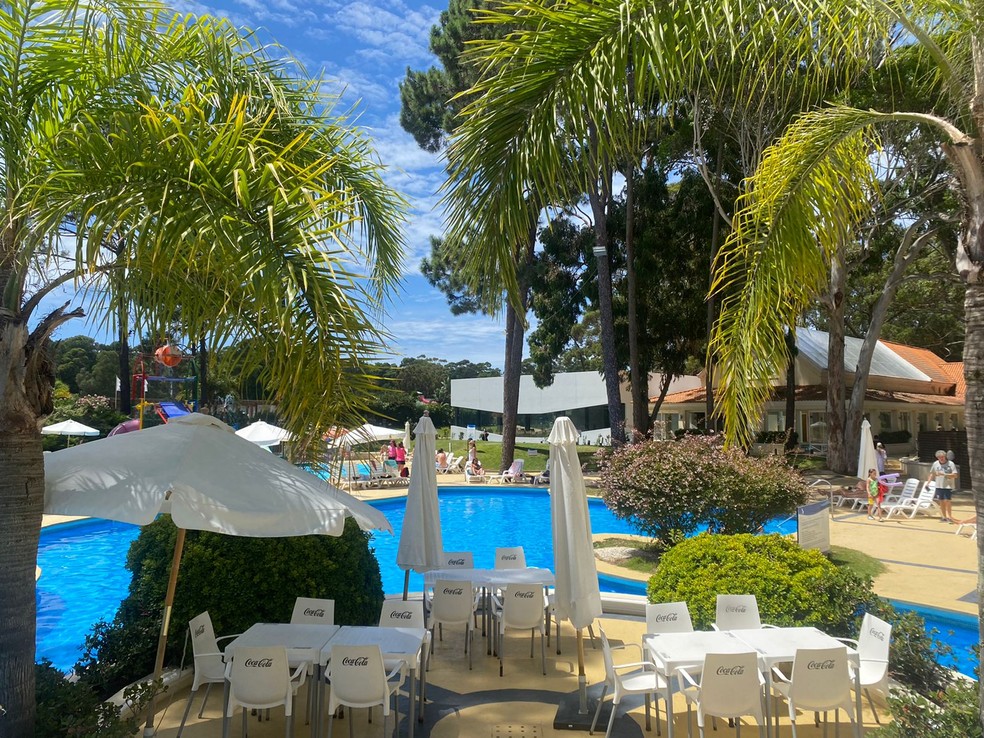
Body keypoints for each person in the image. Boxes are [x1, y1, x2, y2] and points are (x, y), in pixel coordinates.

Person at [931, 449, 958, 522]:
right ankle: (944, 517)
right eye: (939, 457)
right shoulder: (935, 464)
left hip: (948, 486)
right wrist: (928, 482)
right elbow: (932, 473)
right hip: (938, 486)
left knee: (947, 501)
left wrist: (944, 474)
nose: (941, 459)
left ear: (945, 456)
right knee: (941, 502)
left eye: (942, 457)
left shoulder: (951, 464)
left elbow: (955, 475)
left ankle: (949, 517)